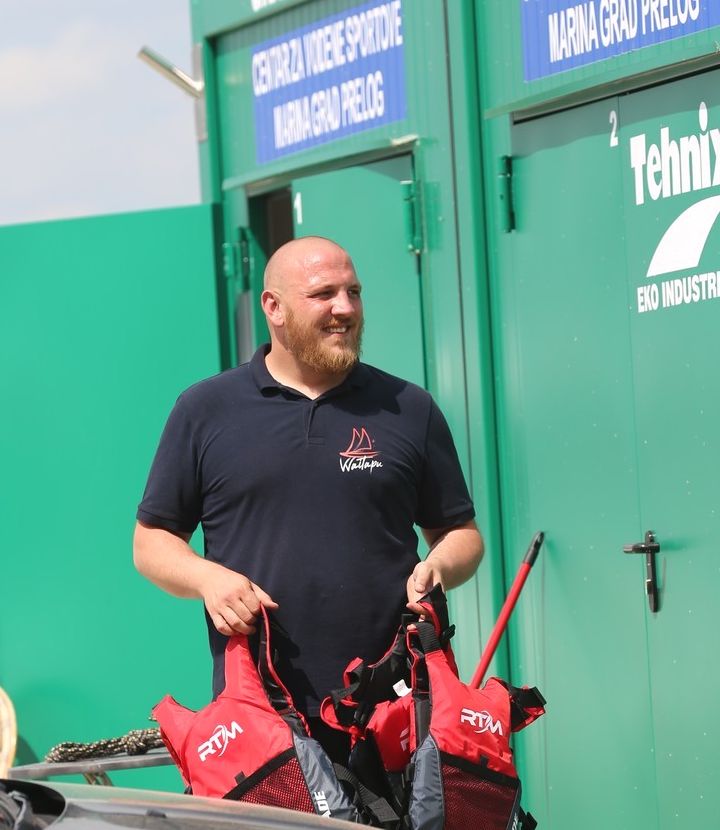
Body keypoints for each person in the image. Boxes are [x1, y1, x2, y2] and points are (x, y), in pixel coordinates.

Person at [133, 235, 483, 726]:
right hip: (264, 718)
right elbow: (151, 543)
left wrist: (439, 566)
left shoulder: (408, 407)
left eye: (353, 292)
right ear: (273, 307)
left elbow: (461, 534)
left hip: (394, 709)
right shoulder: (205, 410)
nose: (346, 308)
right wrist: (208, 579)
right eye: (324, 294)